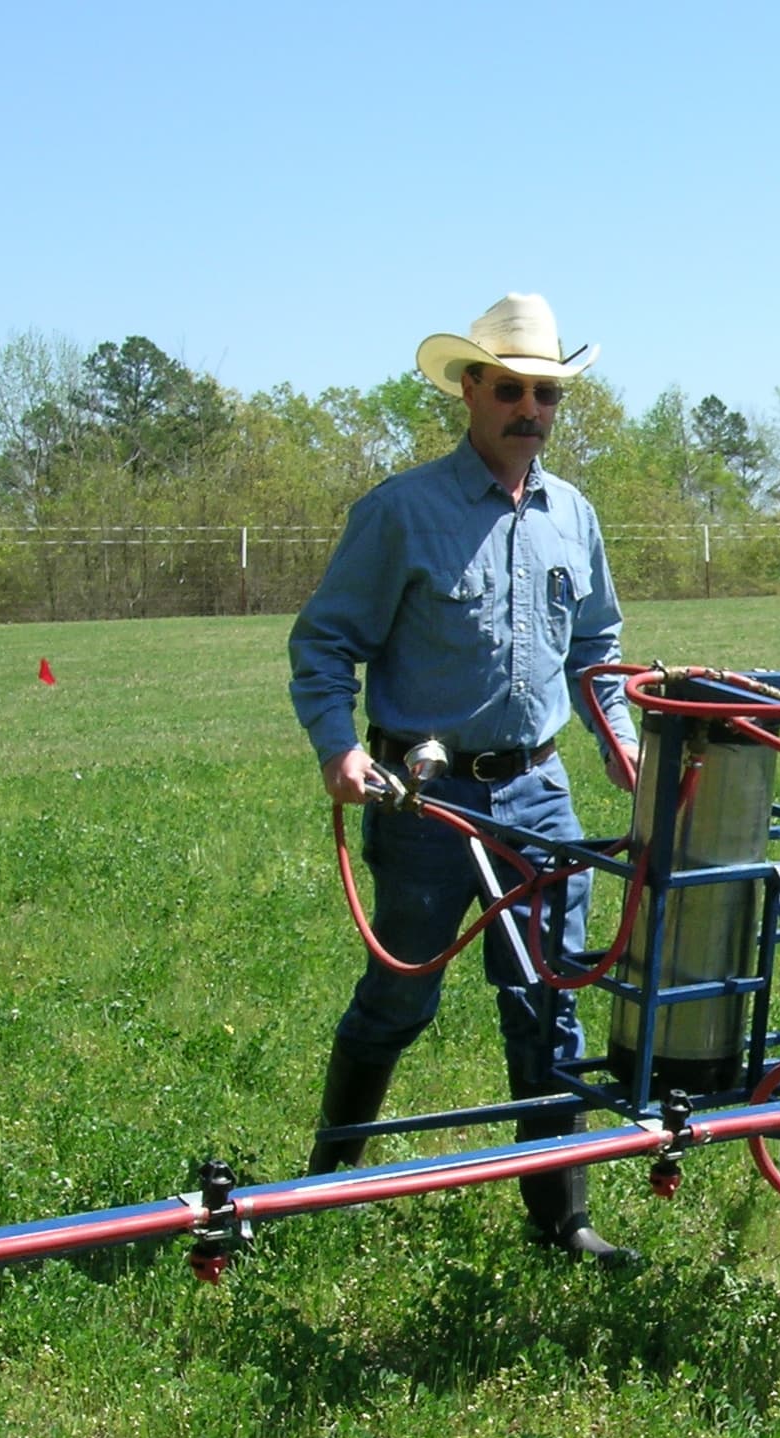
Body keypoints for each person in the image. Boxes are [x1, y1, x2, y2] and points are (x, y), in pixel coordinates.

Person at [288, 293, 642, 1267]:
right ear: (471, 392)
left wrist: (616, 734)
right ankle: (333, 1180)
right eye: (511, 391)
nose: (530, 410)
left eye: (546, 394)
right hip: (424, 796)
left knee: (548, 1000)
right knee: (402, 996)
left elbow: (600, 647)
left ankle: (560, 1216)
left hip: (539, 792)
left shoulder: (575, 517)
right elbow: (326, 643)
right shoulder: (401, 513)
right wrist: (337, 747)